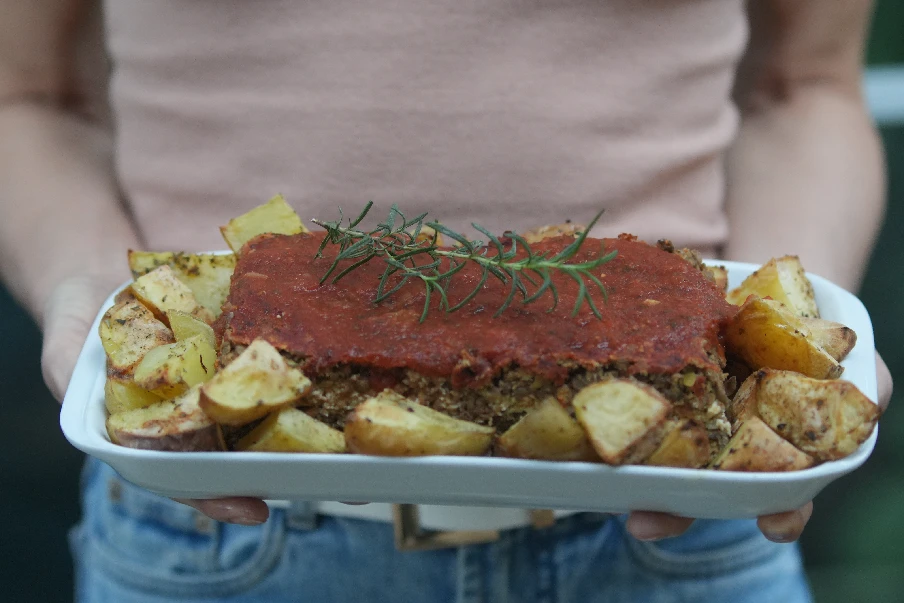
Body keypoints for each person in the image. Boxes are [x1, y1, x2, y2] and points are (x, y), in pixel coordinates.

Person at [0, 0, 894, 601]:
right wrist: (79, 281)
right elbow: (29, 96)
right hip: (216, 542)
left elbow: (800, 88)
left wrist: (807, 327)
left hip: (683, 539)